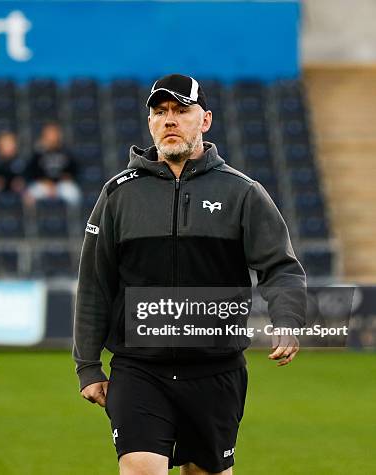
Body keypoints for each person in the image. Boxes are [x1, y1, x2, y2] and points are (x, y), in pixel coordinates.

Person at [73, 74, 307, 475]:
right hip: (138, 367)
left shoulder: (243, 192)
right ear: (149, 122)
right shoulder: (118, 194)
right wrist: (88, 365)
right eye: (160, 112)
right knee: (141, 467)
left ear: (205, 120)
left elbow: (281, 268)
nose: (169, 120)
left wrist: (288, 319)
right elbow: (94, 283)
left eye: (181, 111)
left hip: (216, 370)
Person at [25, 122, 81, 206]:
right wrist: (44, 182)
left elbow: (74, 170)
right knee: (30, 194)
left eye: (54, 134)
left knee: (73, 193)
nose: (52, 137)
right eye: (49, 134)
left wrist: (65, 178)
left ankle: (75, 217)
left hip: (61, 185)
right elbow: (31, 172)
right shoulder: (38, 153)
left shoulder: (65, 151)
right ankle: (31, 218)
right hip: (43, 185)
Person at [0, 131, 27, 199]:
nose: (8, 147)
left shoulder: (20, 161)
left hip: (17, 192)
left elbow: (22, 180)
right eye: (5, 144)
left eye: (10, 144)